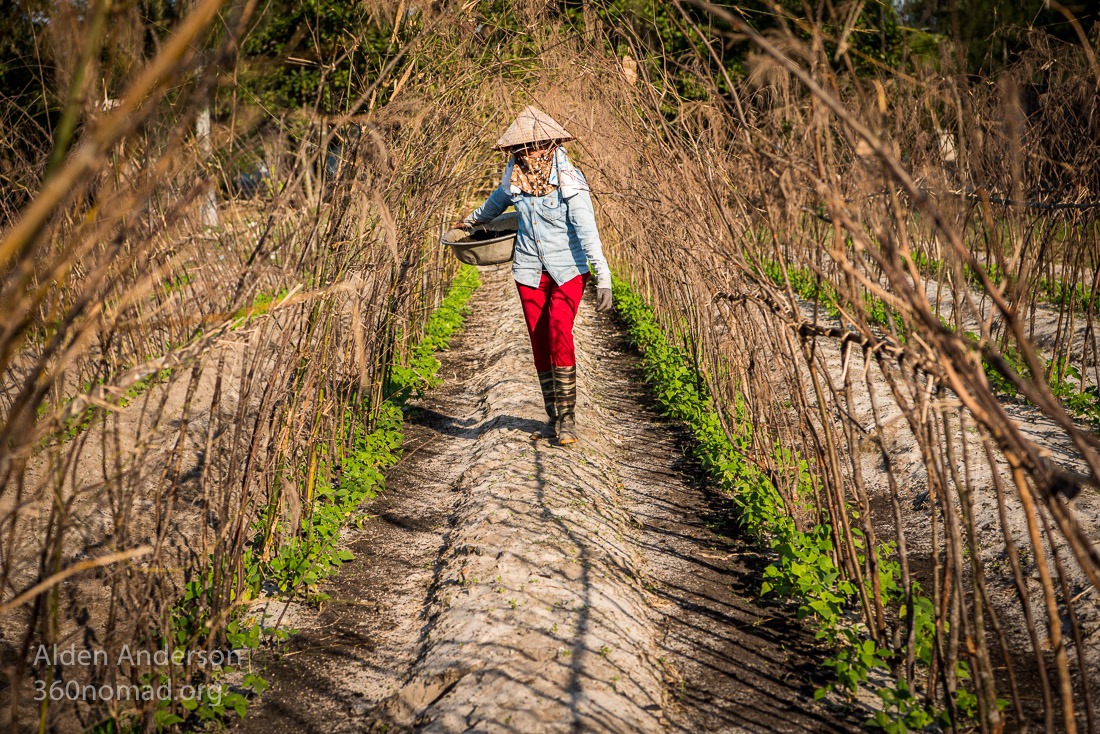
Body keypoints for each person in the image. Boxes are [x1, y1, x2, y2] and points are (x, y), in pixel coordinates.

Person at [457, 106, 613, 446]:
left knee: (559, 331)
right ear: (515, 150)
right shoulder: (513, 178)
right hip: (528, 271)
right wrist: (469, 222)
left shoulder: (570, 180)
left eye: (539, 144)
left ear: (552, 143)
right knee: (540, 343)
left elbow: (588, 231)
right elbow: (495, 204)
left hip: (567, 270)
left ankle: (568, 419)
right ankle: (553, 415)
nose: (532, 152)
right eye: (524, 147)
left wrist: (603, 276)